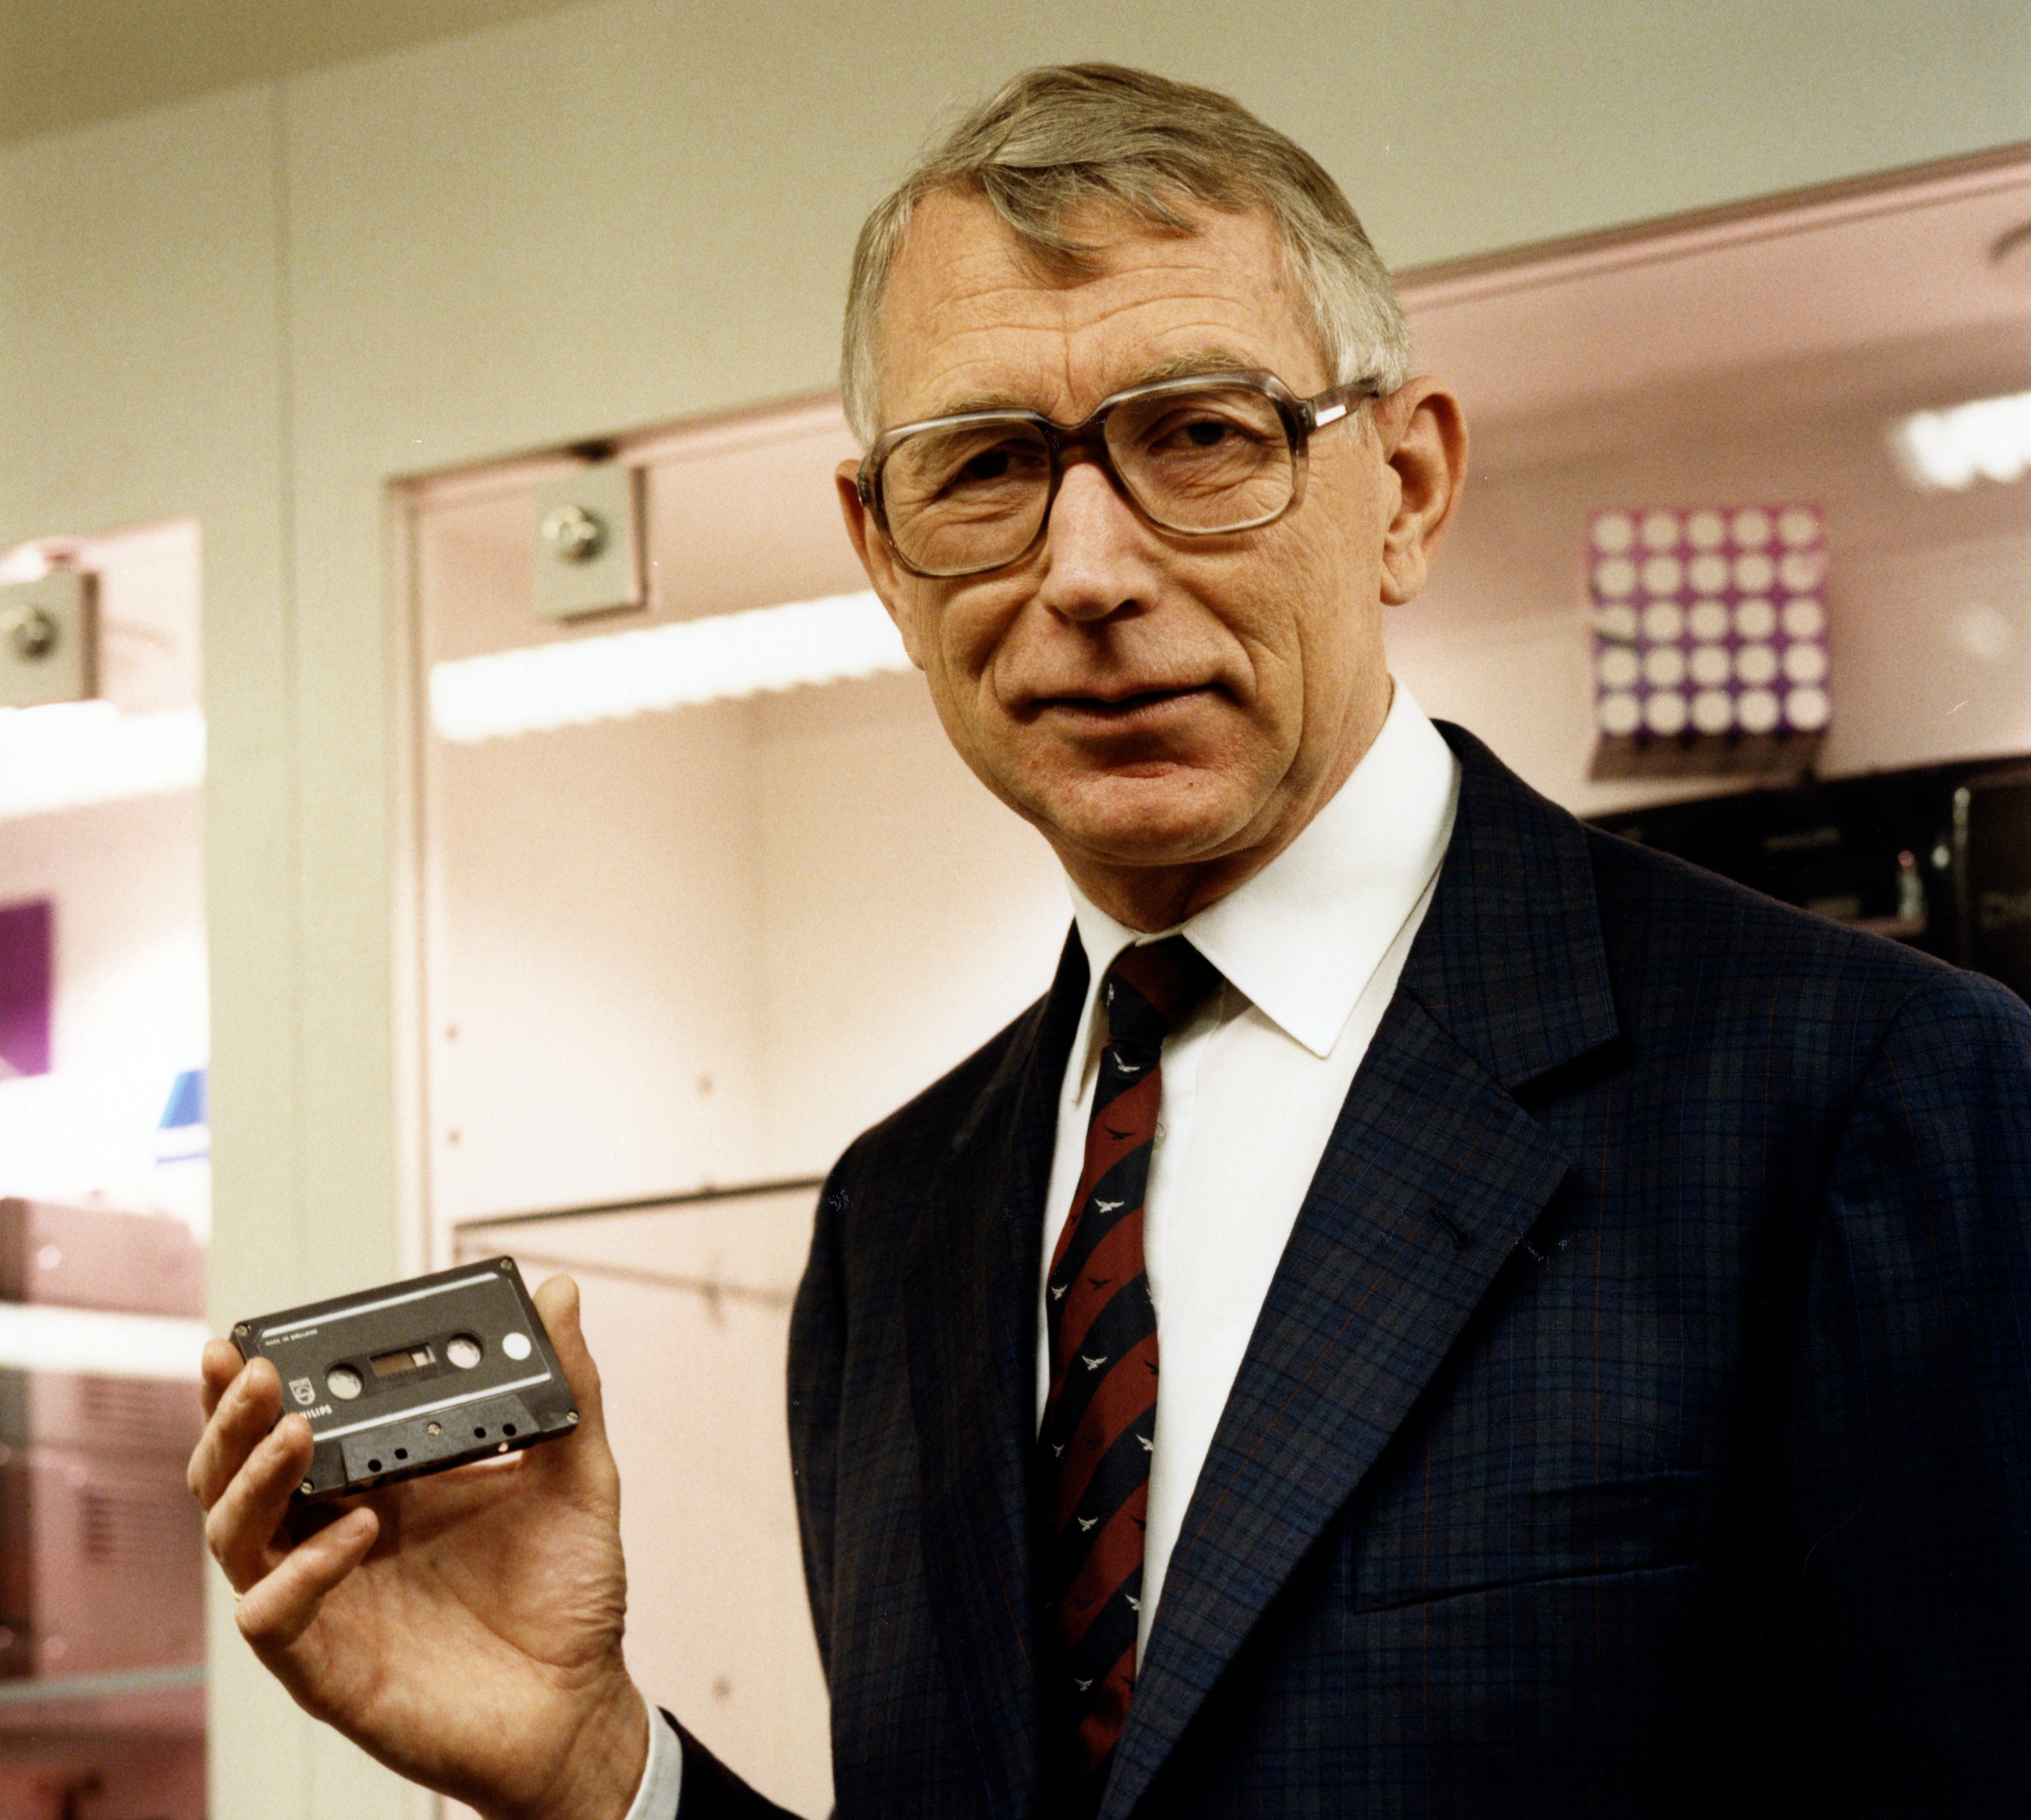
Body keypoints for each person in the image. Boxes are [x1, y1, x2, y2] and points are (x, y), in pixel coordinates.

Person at [189, 63, 2031, 1820]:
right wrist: (590, 1766)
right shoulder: (894, 1222)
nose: (1085, 568)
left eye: (1198, 437)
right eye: (986, 466)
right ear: (882, 554)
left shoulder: (1857, 1092)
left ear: (1401, 488)